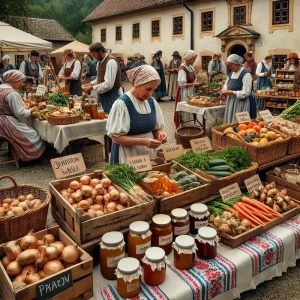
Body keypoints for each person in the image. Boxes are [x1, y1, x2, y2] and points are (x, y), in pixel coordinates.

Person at [107, 65, 167, 164]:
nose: (150, 94)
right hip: (127, 155)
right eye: (148, 89)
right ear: (138, 83)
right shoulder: (122, 104)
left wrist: (160, 134)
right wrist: (143, 141)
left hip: (147, 155)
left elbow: (156, 128)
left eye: (153, 90)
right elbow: (115, 138)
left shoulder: (151, 102)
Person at [0, 70, 45, 161]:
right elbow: (21, 114)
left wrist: (22, 103)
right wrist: (33, 109)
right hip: (7, 122)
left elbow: (7, 105)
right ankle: (26, 157)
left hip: (2, 121)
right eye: (21, 81)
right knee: (34, 136)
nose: (22, 84)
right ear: (15, 81)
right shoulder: (12, 93)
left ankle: (15, 151)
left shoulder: (2, 88)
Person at [82, 43, 122, 113]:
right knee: (102, 117)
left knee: (111, 117)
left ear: (100, 51)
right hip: (103, 95)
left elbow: (108, 84)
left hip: (112, 96)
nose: (94, 57)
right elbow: (99, 78)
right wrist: (91, 84)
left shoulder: (111, 61)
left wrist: (92, 88)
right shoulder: (99, 62)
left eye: (94, 54)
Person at [222, 54, 255, 123]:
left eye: (231, 65)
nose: (230, 67)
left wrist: (232, 92)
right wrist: (224, 90)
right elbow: (226, 84)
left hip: (242, 103)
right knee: (230, 122)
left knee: (239, 123)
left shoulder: (246, 74)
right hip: (231, 101)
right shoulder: (231, 74)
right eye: (229, 65)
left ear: (237, 64)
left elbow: (246, 92)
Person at [174, 50, 200, 127]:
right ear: (189, 58)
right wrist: (194, 84)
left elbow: (194, 78)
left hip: (192, 90)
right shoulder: (182, 68)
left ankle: (193, 124)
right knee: (186, 108)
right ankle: (186, 125)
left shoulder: (191, 67)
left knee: (193, 108)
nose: (194, 60)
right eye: (193, 59)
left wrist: (196, 83)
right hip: (185, 92)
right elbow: (181, 84)